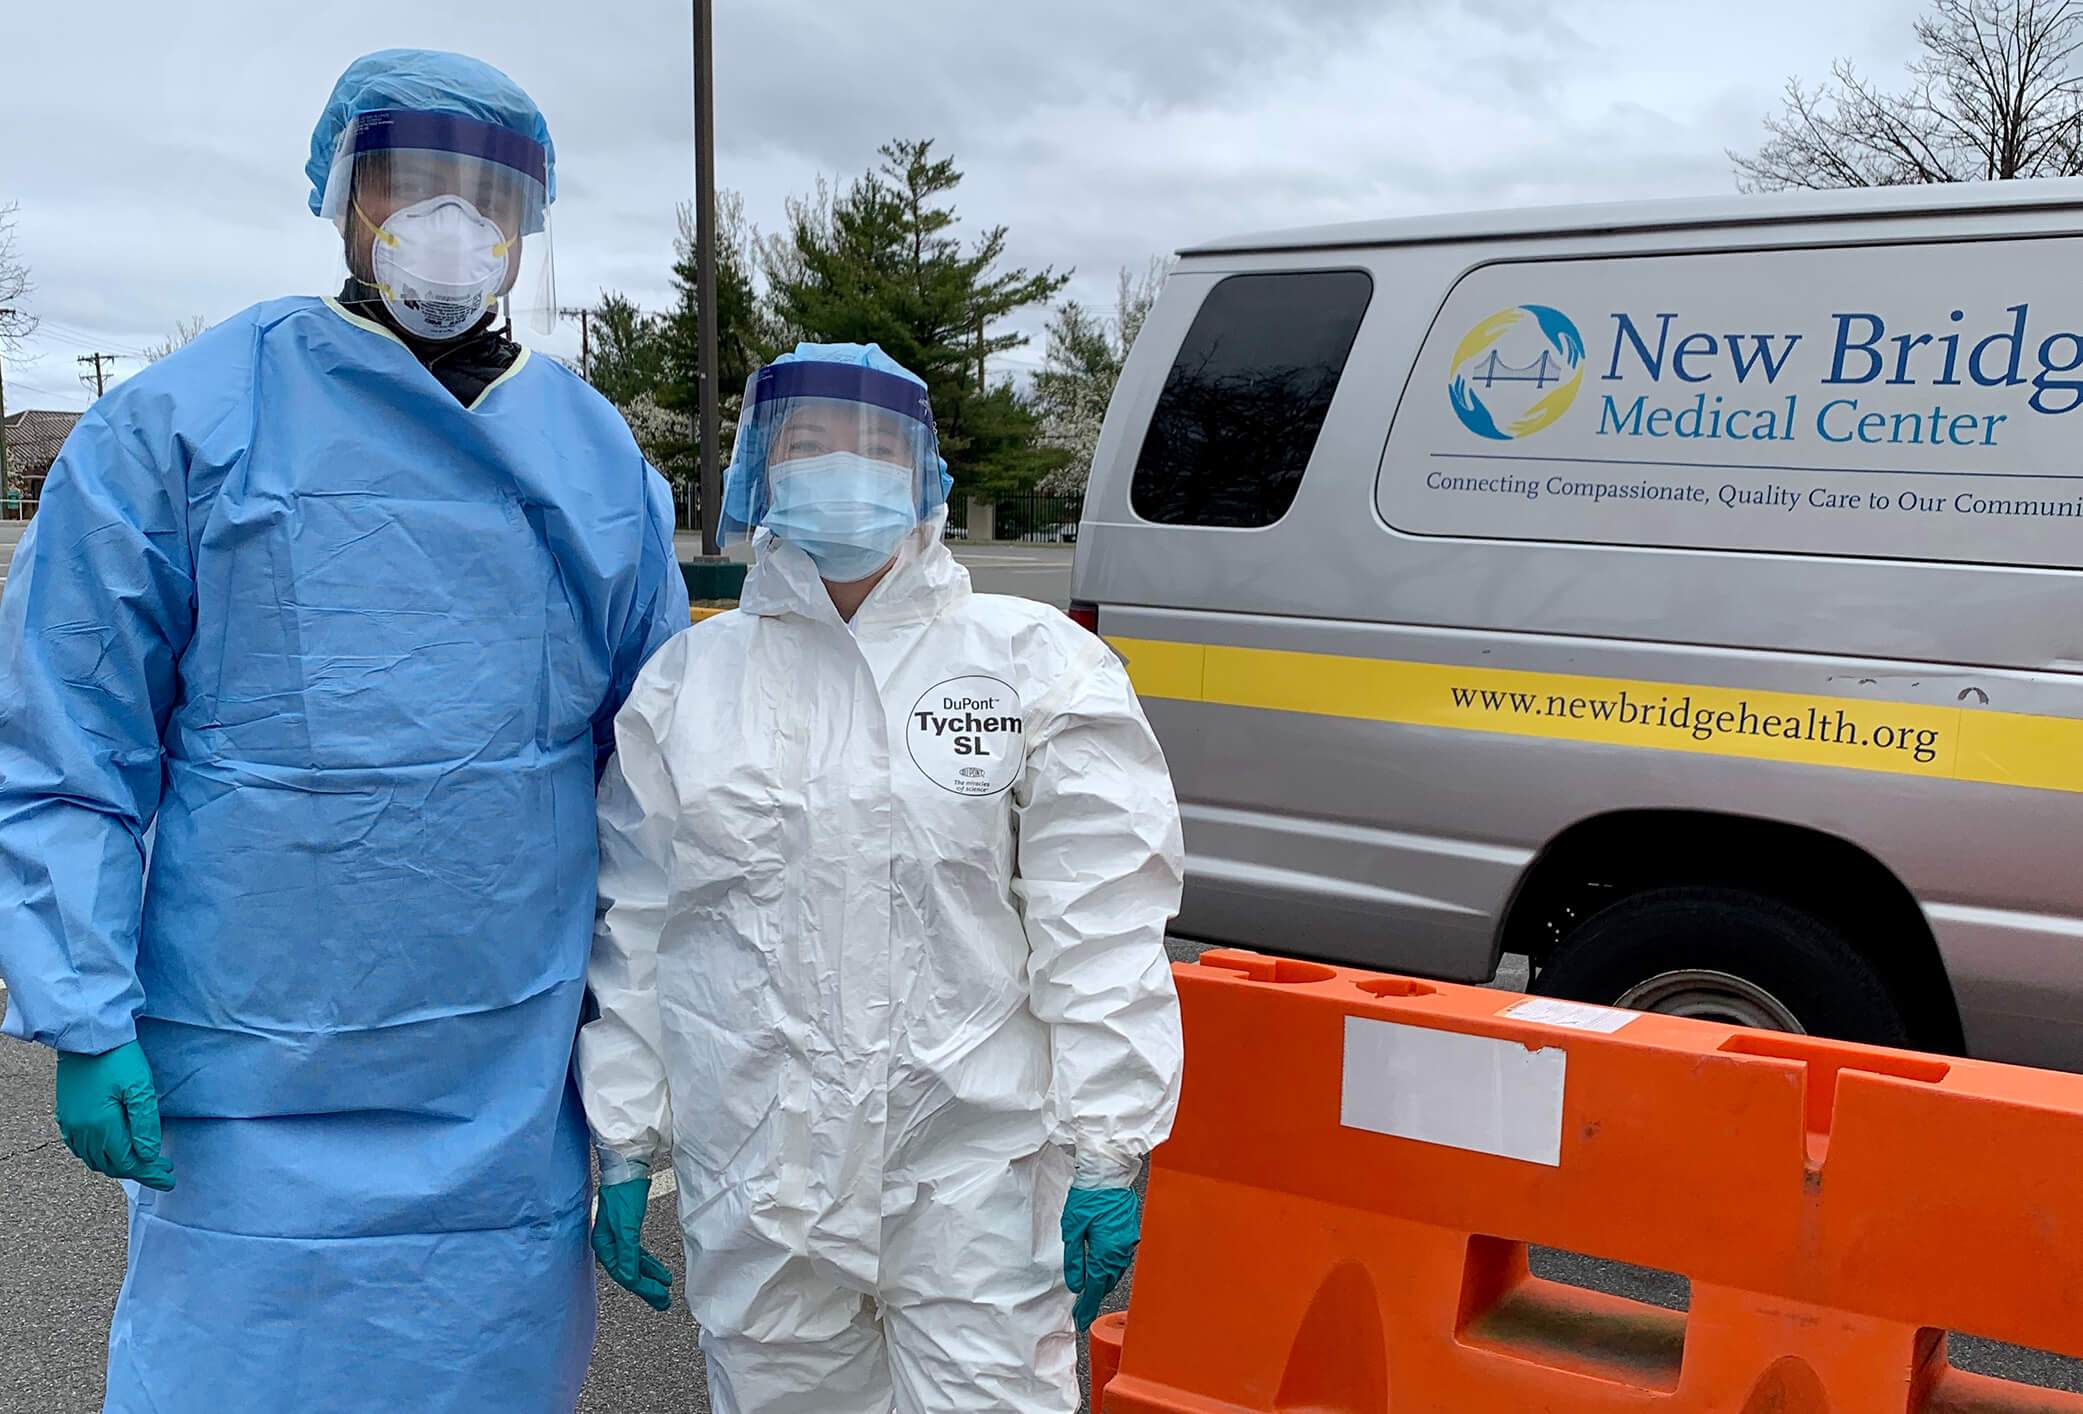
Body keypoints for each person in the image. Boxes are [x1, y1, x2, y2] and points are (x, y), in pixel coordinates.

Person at [0, 49, 689, 1412]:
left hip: (505, 1075)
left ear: (525, 220)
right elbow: (68, 745)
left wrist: (636, 1086)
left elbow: (655, 797)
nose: (447, 217)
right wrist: (82, 1009)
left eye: (481, 190)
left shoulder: (595, 456)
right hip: (250, 1073)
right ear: (342, 199)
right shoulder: (187, 423)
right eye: (410, 183)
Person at [578, 342, 1185, 1414]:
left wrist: (1106, 1145)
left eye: (873, 444)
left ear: (926, 474)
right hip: (760, 1181)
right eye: (808, 443)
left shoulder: (1031, 667)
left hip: (972, 1187)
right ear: (758, 469)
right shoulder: (689, 686)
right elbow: (638, 926)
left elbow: (1099, 926)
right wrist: (626, 1131)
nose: (840, 466)